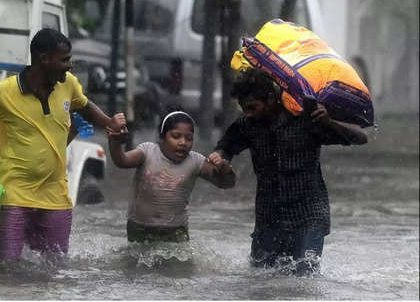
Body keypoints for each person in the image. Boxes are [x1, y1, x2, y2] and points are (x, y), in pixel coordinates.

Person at [0, 28, 126, 261]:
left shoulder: (69, 84)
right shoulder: (4, 92)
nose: (70, 65)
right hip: (13, 195)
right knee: (4, 270)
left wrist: (109, 123)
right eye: (65, 59)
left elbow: (85, 106)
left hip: (55, 195)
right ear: (44, 59)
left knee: (54, 270)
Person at [208, 67, 368, 275]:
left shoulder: (307, 119)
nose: (247, 113)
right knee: (260, 280)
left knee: (304, 279)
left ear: (271, 98)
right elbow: (226, 147)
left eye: (252, 107)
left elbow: (360, 138)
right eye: (243, 108)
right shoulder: (247, 125)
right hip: (268, 219)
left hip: (308, 217)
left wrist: (329, 122)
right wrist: (220, 158)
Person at [107, 106, 236, 243]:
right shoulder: (147, 151)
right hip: (139, 228)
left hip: (175, 232)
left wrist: (225, 169)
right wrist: (114, 140)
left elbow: (226, 184)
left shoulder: (195, 161)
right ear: (162, 137)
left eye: (189, 138)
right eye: (176, 136)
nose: (183, 143)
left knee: (178, 264)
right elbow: (121, 161)